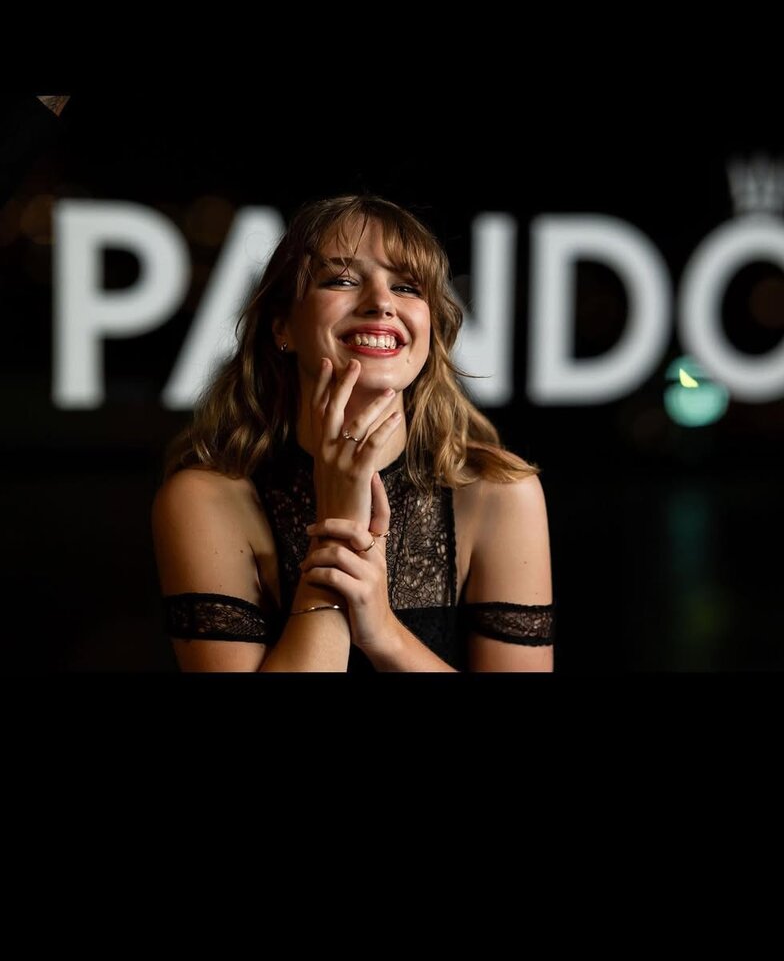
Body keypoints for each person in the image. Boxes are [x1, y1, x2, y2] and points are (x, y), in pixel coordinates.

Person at [151, 193, 554, 672]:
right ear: (283, 326)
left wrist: (383, 632)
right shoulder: (204, 498)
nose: (381, 303)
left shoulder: (499, 493)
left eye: (406, 287)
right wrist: (338, 531)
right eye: (341, 279)